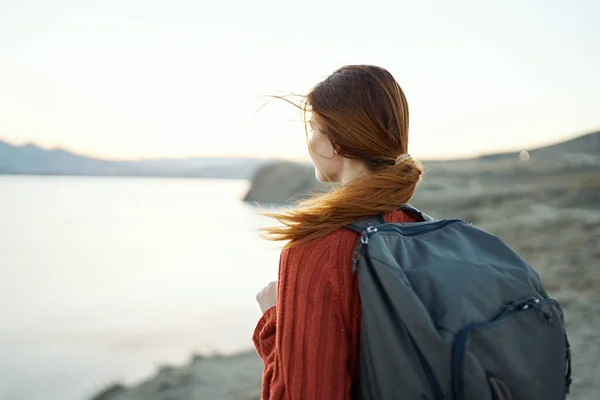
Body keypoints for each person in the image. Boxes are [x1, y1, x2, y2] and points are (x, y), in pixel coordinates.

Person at [252, 65, 423, 399]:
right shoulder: (418, 227)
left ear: (336, 141)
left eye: (314, 128)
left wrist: (274, 323)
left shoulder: (315, 248)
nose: (310, 140)